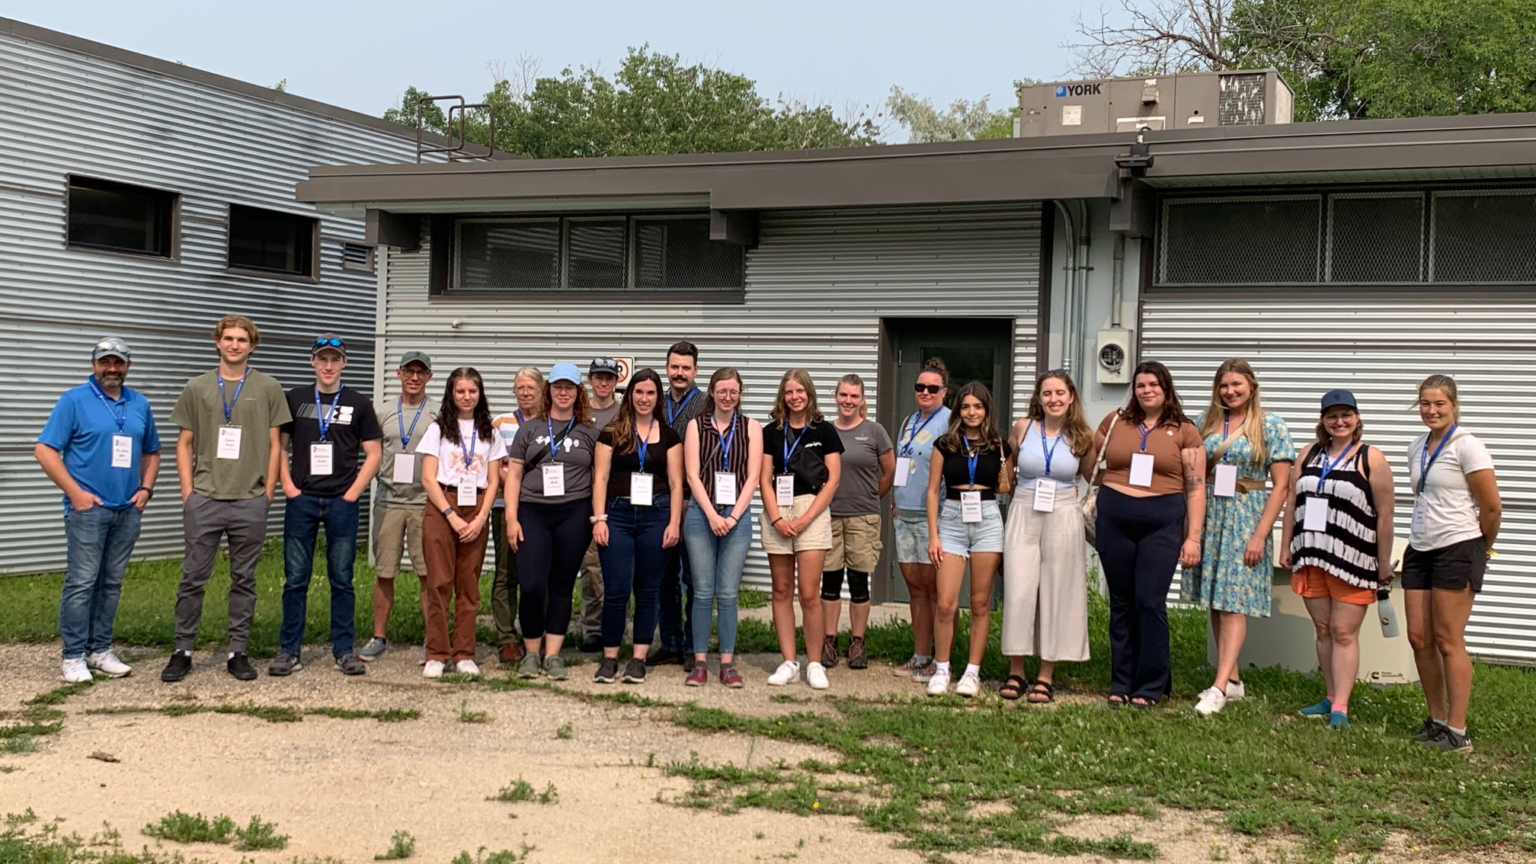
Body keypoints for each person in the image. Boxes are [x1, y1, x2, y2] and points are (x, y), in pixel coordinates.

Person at [162, 315, 291, 683]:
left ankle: (238, 650)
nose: (235, 345)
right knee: (192, 577)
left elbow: (275, 443)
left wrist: (268, 491)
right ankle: (182, 649)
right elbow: (184, 443)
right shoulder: (197, 387)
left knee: (244, 579)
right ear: (217, 342)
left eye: (242, 340)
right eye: (229, 339)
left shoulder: (268, 387)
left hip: (249, 499)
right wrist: (188, 492)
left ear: (253, 345)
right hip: (205, 497)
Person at [35, 337, 161, 683]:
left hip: (127, 509)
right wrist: (76, 494)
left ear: (128, 366)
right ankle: (73, 656)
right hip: (88, 509)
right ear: (93, 364)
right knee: (81, 582)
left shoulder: (139, 403)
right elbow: (45, 450)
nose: (112, 369)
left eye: (118, 362)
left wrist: (146, 489)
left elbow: (152, 451)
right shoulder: (74, 401)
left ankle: (100, 649)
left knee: (111, 583)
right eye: (105, 362)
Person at [1278, 389, 1395, 731]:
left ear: (1357, 419)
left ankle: (1341, 707)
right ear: (1323, 421)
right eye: (1332, 416)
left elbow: (1385, 515)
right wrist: (1287, 546)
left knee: (1344, 631)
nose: (1339, 421)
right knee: (1324, 628)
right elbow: (1291, 503)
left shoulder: (1371, 458)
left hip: (1353, 557)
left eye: (1346, 415)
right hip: (1312, 554)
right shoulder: (1309, 454)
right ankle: (1329, 696)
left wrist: (1383, 562)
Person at [1184, 359, 1296, 716]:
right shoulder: (1206, 422)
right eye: (1223, 385)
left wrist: (1261, 535)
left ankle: (1217, 688)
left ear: (1251, 386)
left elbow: (1281, 486)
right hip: (1213, 512)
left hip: (1247, 514)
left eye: (1236, 385)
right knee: (1217, 600)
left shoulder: (1270, 425)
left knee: (1234, 601)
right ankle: (1231, 679)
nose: (1230, 391)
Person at [1092, 360, 1205, 708]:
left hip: (1162, 522)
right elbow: (1090, 464)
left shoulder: (1185, 430)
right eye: (1141, 385)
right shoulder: (1114, 422)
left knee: (1149, 602)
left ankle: (1152, 684)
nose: (1147, 390)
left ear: (1166, 388)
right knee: (1122, 603)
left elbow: (1196, 488)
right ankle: (1121, 681)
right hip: (1115, 520)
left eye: (1154, 384)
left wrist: (1193, 537)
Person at [1402, 375, 1501, 753]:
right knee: (1419, 637)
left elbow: (1491, 507)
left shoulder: (1468, 446)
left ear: (1454, 405)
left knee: (1447, 638)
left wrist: (1483, 549)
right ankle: (1437, 720)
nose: (1432, 411)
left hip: (1458, 547)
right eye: (1425, 404)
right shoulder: (1416, 446)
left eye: (1439, 404)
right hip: (1420, 547)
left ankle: (1458, 733)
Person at [999, 370, 1094, 702]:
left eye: (1060, 393)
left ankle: (1045, 674)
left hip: (1064, 510)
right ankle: (1016, 671)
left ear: (1071, 397)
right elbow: (1008, 470)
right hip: (1025, 506)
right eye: (1047, 393)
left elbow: (1093, 476)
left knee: (1057, 589)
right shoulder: (1023, 428)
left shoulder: (1082, 435)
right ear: (1038, 398)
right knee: (1019, 588)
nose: (1053, 399)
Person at [505, 363, 600, 681]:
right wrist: (511, 519)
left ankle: (554, 654)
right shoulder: (530, 429)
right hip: (533, 512)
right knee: (531, 584)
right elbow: (514, 475)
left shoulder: (589, 431)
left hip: (572, 513)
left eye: (569, 387)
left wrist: (596, 516)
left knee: (561, 584)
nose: (563, 392)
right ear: (549, 391)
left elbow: (598, 476)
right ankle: (532, 652)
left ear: (578, 392)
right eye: (558, 386)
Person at [591, 368, 683, 684]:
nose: (644, 398)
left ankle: (639, 658)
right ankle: (610, 657)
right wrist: (599, 518)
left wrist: (674, 523)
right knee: (616, 590)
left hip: (655, 516)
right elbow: (600, 478)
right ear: (629, 395)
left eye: (651, 393)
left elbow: (675, 482)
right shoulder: (612, 430)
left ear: (658, 398)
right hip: (616, 514)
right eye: (639, 392)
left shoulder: (670, 436)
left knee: (647, 591)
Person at [416, 367, 505, 678]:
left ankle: (465, 653)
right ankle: (437, 653)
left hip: (476, 506)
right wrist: (450, 515)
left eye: (472, 391)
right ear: (451, 395)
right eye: (460, 391)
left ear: (480, 394)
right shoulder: (438, 430)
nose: (466, 397)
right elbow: (428, 478)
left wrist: (481, 517)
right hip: (443, 505)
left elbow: (494, 480)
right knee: (439, 583)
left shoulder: (490, 433)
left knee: (469, 586)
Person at [924, 381, 1011, 697]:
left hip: (988, 520)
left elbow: (1010, 488)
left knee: (979, 602)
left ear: (987, 409)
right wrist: (933, 535)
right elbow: (933, 491)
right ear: (957, 410)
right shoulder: (944, 445)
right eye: (965, 406)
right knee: (946, 602)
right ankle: (942, 667)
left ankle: (972, 672)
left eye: (978, 406)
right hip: (951, 520)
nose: (971, 412)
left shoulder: (1001, 447)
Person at [761, 369, 844, 690]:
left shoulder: (825, 430)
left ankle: (814, 663)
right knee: (781, 591)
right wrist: (777, 518)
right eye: (788, 392)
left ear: (809, 394)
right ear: (782, 396)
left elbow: (833, 478)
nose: (794, 397)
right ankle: (789, 661)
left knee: (809, 593)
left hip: (813, 509)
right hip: (778, 510)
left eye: (800, 391)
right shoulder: (771, 432)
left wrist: (807, 517)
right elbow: (763, 479)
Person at [683, 368, 763, 687]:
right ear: (712, 393)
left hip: (737, 516)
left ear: (740, 394)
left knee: (728, 594)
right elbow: (692, 475)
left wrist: (731, 517)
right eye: (722, 391)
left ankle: (727, 664)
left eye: (733, 392)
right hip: (701, 516)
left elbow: (753, 476)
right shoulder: (696, 426)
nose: (727, 397)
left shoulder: (751, 427)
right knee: (702, 592)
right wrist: (712, 515)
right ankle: (700, 662)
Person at [361, 351, 438, 660]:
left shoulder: (438, 413)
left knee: (427, 574)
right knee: (385, 572)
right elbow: (371, 452)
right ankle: (379, 636)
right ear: (399, 373)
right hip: (388, 501)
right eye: (409, 371)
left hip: (425, 502)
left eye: (421, 372)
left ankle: (431, 639)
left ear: (429, 377)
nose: (414, 377)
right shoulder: (381, 412)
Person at [821, 374, 893, 671]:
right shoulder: (825, 430)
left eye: (854, 396)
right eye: (843, 395)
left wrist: (869, 496)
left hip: (863, 516)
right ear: (836, 397)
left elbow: (888, 472)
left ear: (862, 400)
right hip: (829, 515)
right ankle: (829, 640)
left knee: (860, 582)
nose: (848, 401)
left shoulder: (874, 431)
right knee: (830, 581)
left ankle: (857, 641)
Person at [891, 358, 952, 682]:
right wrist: (896, 499)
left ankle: (940, 659)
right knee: (915, 588)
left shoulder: (950, 422)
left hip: (935, 518)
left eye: (932, 388)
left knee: (936, 592)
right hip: (905, 513)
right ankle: (920, 654)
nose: (925, 392)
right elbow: (904, 464)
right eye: (920, 387)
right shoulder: (908, 421)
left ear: (944, 391)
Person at [653, 340, 706, 669]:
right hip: (657, 500)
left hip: (693, 502)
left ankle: (691, 645)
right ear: (667, 368)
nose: (679, 373)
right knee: (663, 577)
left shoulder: (707, 403)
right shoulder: (653, 402)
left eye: (686, 368)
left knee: (694, 578)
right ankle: (669, 642)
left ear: (695, 371)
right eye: (674, 367)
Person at [490, 367, 544, 665]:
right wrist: (510, 485)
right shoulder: (500, 423)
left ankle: (538, 633)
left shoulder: (551, 422)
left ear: (541, 390)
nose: (525, 392)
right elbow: (493, 462)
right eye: (520, 388)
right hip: (503, 506)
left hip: (541, 508)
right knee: (506, 571)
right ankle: (507, 638)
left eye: (530, 388)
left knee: (539, 574)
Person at [578, 356, 623, 652]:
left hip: (618, 499)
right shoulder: (579, 413)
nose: (604, 382)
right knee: (591, 567)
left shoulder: (625, 413)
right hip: (583, 497)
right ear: (591, 380)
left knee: (618, 569)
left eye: (609, 377)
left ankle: (618, 628)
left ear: (616, 381)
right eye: (598, 377)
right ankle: (592, 628)